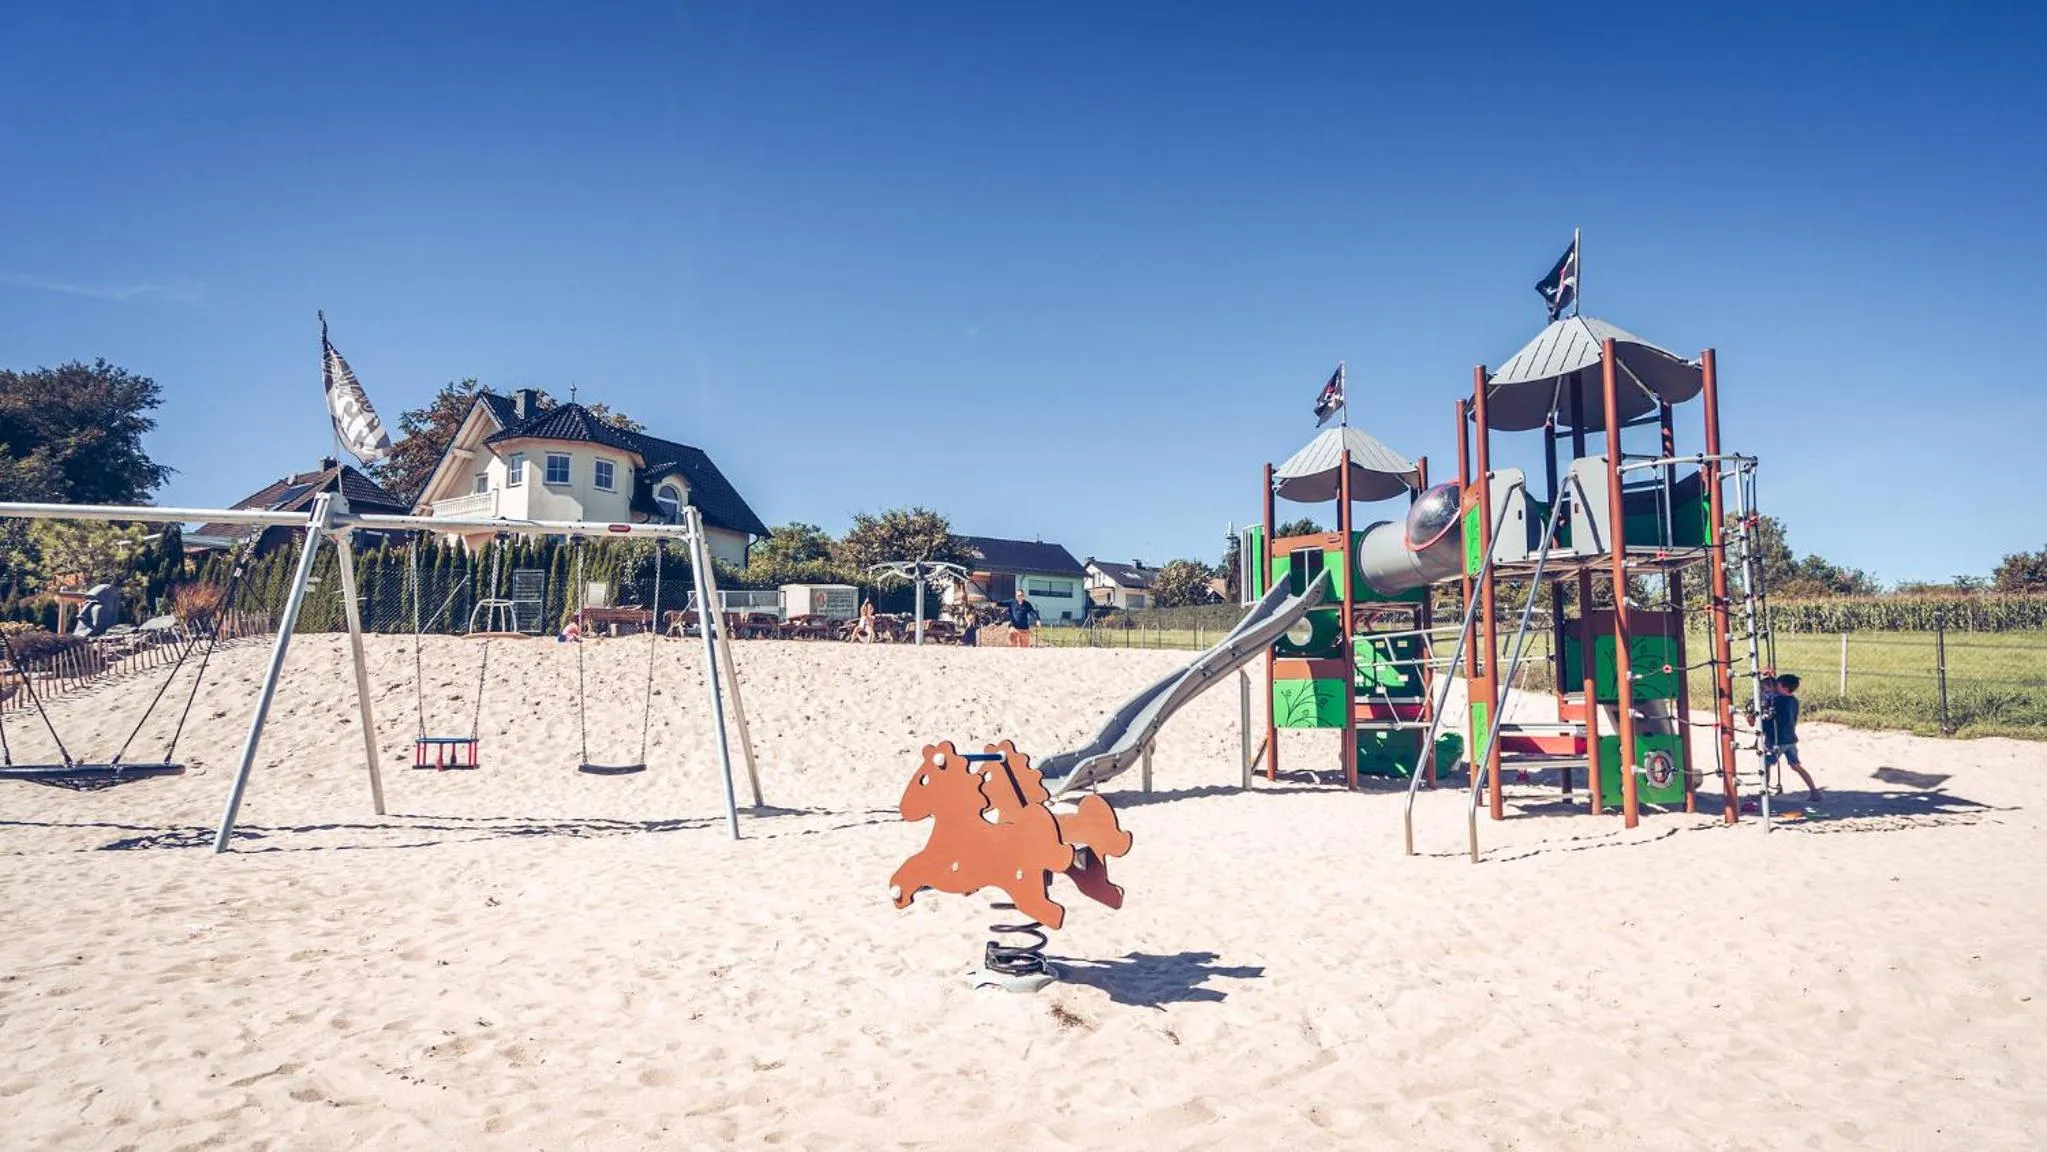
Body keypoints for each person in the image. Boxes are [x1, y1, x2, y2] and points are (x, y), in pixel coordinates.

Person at [1763, 673, 1820, 803]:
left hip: (1778, 740)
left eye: (1777, 685)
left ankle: (1764, 793)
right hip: (1790, 739)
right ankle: (1814, 791)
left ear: (1784, 688)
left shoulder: (1776, 701)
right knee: (1796, 766)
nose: (1775, 687)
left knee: (1765, 764)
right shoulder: (1793, 701)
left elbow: (1769, 718)